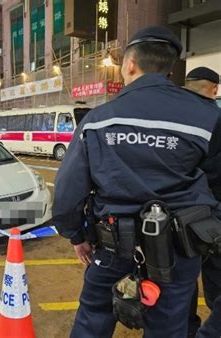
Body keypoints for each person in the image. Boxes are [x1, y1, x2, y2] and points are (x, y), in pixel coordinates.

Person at [52, 26, 221, 337]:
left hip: (113, 246)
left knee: (93, 320)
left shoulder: (98, 119)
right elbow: (217, 184)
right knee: (168, 327)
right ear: (170, 68)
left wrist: (76, 235)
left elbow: (66, 192)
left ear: (130, 64)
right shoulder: (207, 117)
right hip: (180, 249)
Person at [183, 67, 221, 338]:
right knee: (216, 274)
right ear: (215, 89)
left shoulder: (170, 115)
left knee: (182, 279)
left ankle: (186, 328)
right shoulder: (216, 116)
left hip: (176, 215)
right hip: (215, 214)